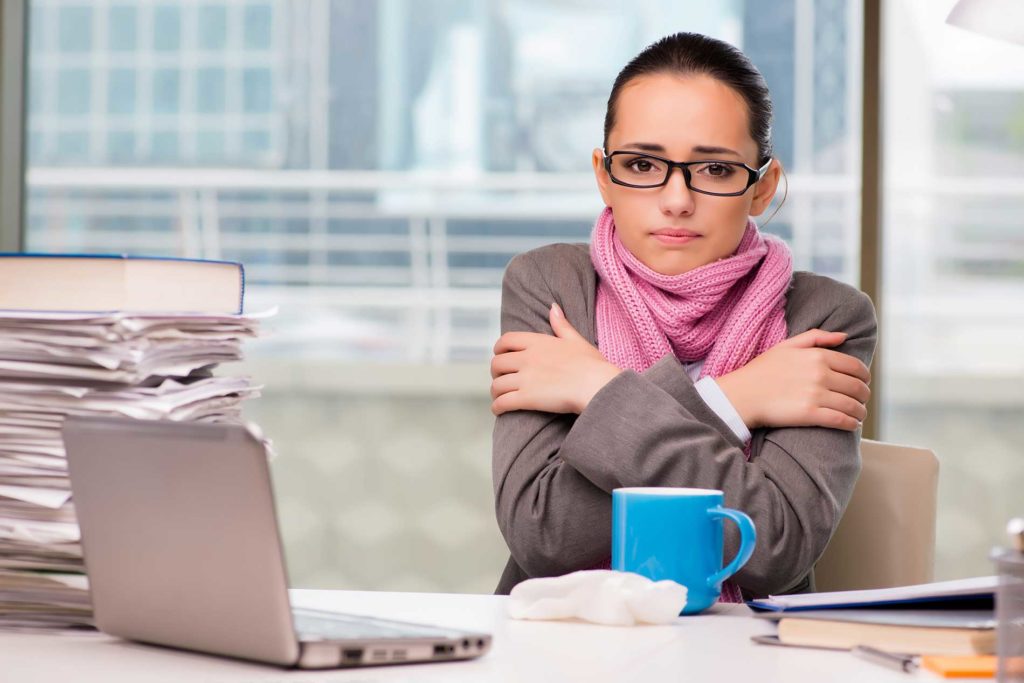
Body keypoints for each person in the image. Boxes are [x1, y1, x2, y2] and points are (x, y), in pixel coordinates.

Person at [489, 32, 876, 602]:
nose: (676, 199)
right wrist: (734, 400)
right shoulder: (549, 287)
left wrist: (599, 390)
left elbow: (774, 546)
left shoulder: (826, 316)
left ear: (762, 186)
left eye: (716, 170)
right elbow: (544, 532)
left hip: (741, 653)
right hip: (561, 644)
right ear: (603, 174)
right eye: (643, 164)